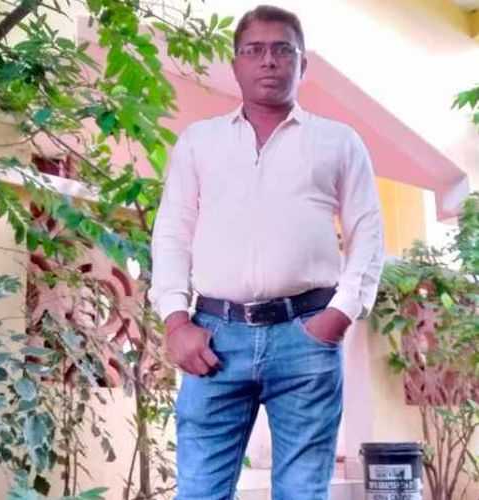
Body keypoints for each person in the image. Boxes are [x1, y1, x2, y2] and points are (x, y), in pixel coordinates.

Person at [149, 5, 384, 500]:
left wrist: (339, 315)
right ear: (236, 64)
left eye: (283, 50)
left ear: (303, 64)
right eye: (254, 50)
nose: (269, 61)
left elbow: (367, 232)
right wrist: (175, 322)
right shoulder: (199, 142)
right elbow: (171, 234)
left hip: (307, 337)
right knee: (199, 491)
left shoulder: (338, 142)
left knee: (302, 492)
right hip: (212, 339)